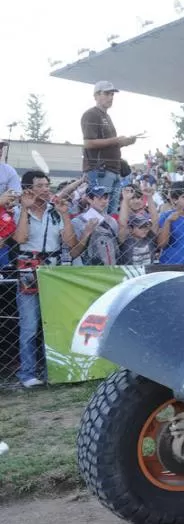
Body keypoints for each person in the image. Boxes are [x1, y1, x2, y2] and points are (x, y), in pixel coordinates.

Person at [12, 171, 78, 387]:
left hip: (52, 268)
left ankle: (55, 369)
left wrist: (66, 214)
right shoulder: (17, 210)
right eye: (39, 185)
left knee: (54, 322)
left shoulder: (55, 212)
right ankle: (28, 373)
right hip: (28, 268)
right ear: (28, 189)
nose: (45, 189)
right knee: (30, 325)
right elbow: (20, 239)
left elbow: (69, 242)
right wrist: (25, 209)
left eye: (47, 185)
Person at [81, 81, 139, 214]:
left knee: (111, 213)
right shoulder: (91, 114)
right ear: (96, 95)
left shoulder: (106, 116)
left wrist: (126, 141)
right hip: (100, 169)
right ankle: (96, 235)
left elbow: (108, 143)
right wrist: (117, 140)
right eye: (106, 94)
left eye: (112, 94)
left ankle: (107, 235)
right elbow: (88, 143)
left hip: (112, 169)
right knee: (100, 211)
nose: (110, 97)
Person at [70, 186, 120, 265]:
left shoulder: (112, 221)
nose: (104, 201)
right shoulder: (77, 221)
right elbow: (73, 253)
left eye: (106, 198)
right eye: (99, 198)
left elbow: (117, 246)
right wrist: (87, 233)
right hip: (86, 269)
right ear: (89, 199)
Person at [157, 181, 184, 265]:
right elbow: (161, 244)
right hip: (170, 263)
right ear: (175, 200)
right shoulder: (166, 216)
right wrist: (168, 222)